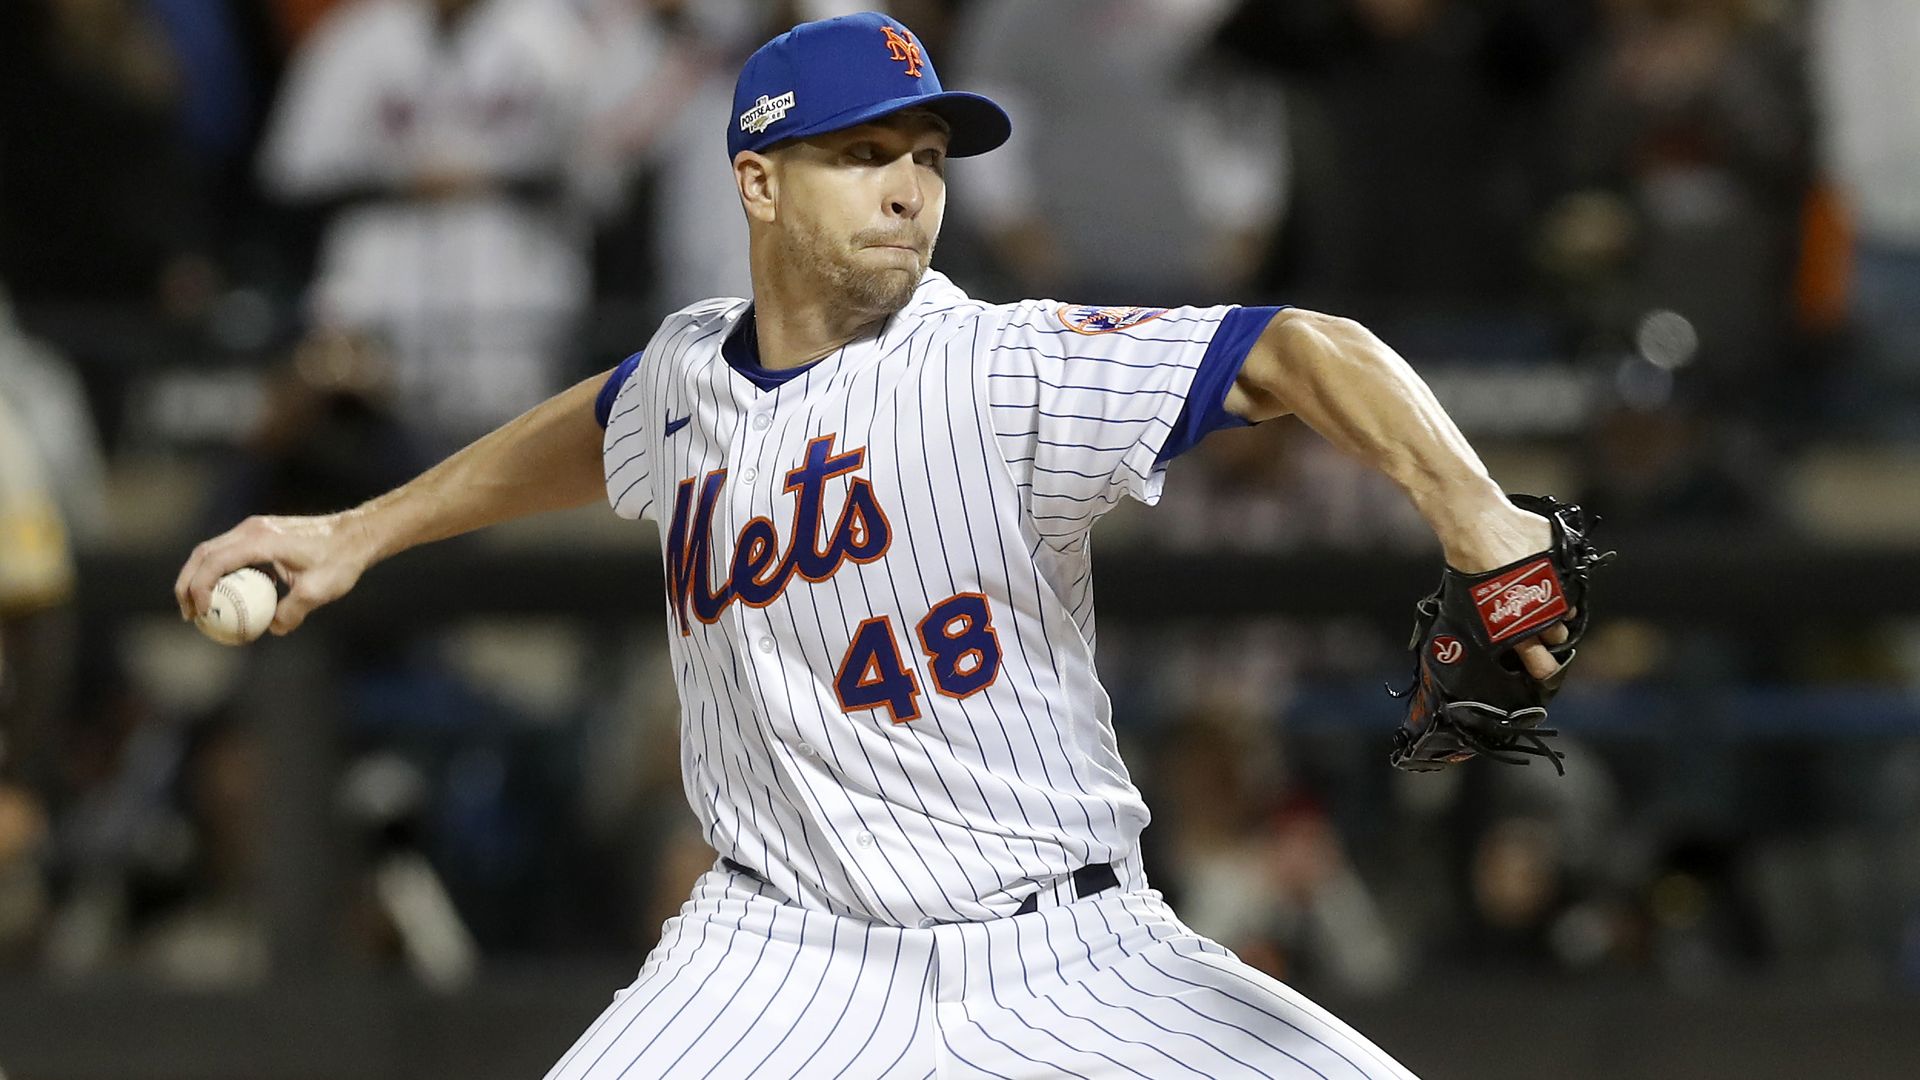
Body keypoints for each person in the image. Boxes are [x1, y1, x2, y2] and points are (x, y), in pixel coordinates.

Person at [177, 12, 1574, 1078]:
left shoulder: (1006, 364)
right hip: (772, 951)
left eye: (926, 157)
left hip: (1065, 946)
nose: (910, 185)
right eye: (862, 156)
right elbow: (598, 421)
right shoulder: (684, 379)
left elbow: (1297, 349)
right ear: (760, 184)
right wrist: (360, 530)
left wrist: (1478, 513)